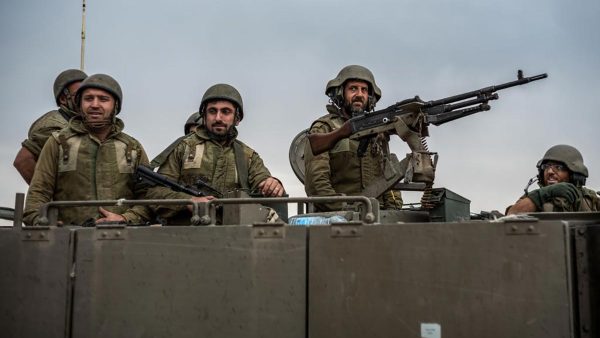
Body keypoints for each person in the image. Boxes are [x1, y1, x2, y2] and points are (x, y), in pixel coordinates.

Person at [23, 74, 153, 226]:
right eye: (88, 98)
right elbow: (39, 192)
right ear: (80, 104)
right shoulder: (58, 142)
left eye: (103, 99)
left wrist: (125, 218)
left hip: (122, 238)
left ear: (115, 105)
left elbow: (148, 197)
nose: (95, 105)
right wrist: (41, 221)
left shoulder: (132, 148)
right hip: (68, 240)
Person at [146, 83, 284, 225]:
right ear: (204, 115)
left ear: (237, 118)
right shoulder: (183, 148)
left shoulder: (247, 156)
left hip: (234, 237)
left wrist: (272, 183)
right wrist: (188, 202)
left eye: (225, 111)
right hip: (184, 235)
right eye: (212, 111)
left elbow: (262, 180)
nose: (218, 118)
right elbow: (155, 193)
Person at [303, 65, 403, 211]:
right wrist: (344, 210)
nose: (359, 94)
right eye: (353, 89)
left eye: (364, 90)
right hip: (337, 218)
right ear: (340, 93)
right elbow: (316, 183)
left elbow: (388, 178)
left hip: (377, 217)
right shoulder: (325, 128)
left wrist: (392, 214)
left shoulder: (377, 132)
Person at [14, 69, 87, 184]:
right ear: (63, 99)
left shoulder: (83, 124)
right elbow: (23, 161)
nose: (85, 100)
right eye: (78, 95)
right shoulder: (54, 125)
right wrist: (50, 196)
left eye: (87, 95)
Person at [506, 144, 599, 214]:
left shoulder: (590, 198)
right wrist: (543, 194)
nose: (549, 171)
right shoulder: (536, 197)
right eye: (546, 166)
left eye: (558, 167)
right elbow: (511, 215)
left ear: (574, 174)